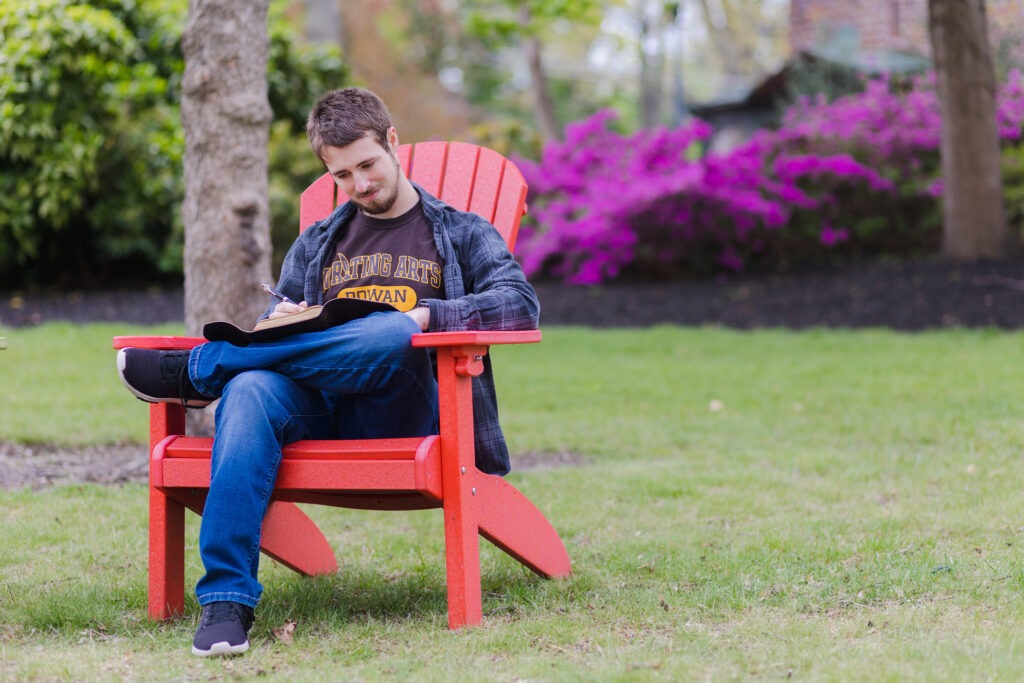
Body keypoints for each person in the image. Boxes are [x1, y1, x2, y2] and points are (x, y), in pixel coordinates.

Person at [116, 87, 539, 657]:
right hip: (324, 407)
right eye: (342, 175)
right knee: (247, 388)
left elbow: (520, 304)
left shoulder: (459, 231)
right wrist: (283, 323)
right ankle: (226, 602)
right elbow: (275, 333)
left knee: (394, 330)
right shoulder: (318, 243)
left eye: (367, 165)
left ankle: (202, 368)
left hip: (414, 409)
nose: (360, 185)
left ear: (392, 142)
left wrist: (422, 314)